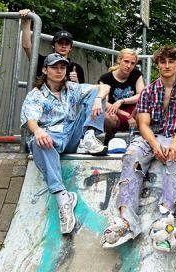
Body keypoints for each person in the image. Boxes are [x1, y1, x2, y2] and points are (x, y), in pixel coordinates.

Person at [102, 46, 176, 251]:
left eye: (171, 62)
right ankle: (126, 221)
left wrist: (174, 144)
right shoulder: (148, 91)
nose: (167, 66)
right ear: (157, 65)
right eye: (163, 62)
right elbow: (143, 124)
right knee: (131, 155)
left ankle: (165, 221)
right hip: (151, 137)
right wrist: (155, 146)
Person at [20, 53, 109, 234]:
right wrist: (37, 131)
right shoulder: (37, 95)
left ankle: (90, 136)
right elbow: (30, 119)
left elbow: (104, 86)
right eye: (54, 67)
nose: (59, 71)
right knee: (36, 143)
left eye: (62, 67)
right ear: (45, 70)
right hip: (50, 137)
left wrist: (98, 99)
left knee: (96, 92)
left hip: (71, 134)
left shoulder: (72, 89)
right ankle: (63, 199)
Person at [19, 9, 85, 83]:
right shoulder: (42, 61)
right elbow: (27, 47)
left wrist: (76, 82)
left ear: (71, 47)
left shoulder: (76, 68)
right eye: (60, 43)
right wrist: (27, 21)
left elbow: (82, 92)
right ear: (53, 45)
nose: (63, 46)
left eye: (67, 44)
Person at [98, 49, 144, 143]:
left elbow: (141, 95)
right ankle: (109, 137)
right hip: (115, 112)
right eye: (126, 61)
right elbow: (104, 103)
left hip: (134, 111)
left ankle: (142, 140)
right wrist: (126, 115)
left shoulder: (136, 74)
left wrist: (122, 101)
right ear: (119, 60)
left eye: (132, 63)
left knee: (144, 112)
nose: (128, 66)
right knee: (107, 117)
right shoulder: (106, 78)